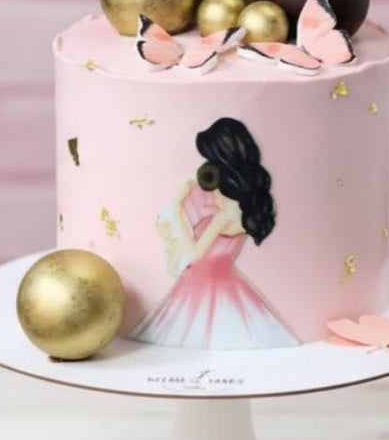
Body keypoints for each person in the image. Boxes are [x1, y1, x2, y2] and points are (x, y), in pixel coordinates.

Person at [128, 117, 299, 350]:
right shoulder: (240, 207)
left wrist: (177, 204)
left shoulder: (226, 214)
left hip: (200, 289)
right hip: (221, 283)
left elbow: (194, 255)